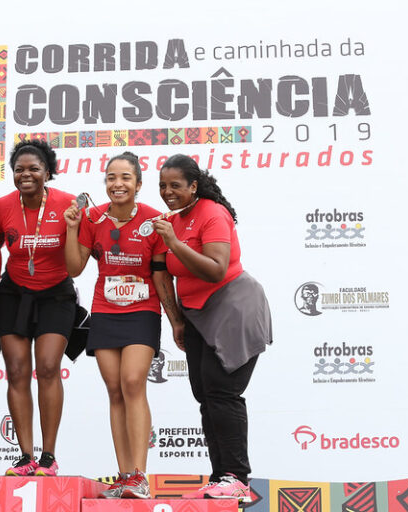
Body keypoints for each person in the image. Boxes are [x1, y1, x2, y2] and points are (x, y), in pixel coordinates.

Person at [152, 155, 272, 502]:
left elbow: (216, 270)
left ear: (193, 185)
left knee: (222, 392)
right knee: (205, 395)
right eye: (163, 185)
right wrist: (176, 320)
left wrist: (174, 242)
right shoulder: (170, 221)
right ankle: (222, 476)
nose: (168, 192)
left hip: (234, 307)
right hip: (197, 315)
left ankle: (238, 478)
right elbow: (162, 271)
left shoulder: (211, 213)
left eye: (176, 185)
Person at [63, 151, 181, 499]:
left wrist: (174, 320)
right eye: (112, 177)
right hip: (105, 310)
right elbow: (73, 268)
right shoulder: (92, 217)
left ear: (138, 184)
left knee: (132, 382)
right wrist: (72, 229)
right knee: (115, 390)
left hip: (143, 310)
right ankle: (125, 474)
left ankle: (141, 476)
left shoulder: (154, 220)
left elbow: (160, 276)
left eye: (126, 178)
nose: (118, 184)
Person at [0, 139, 77, 476]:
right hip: (13, 295)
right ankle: (26, 457)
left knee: (49, 367)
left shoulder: (68, 203)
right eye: (19, 170)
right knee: (17, 371)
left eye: (34, 169)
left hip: (56, 294)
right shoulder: (1, 208)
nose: (26, 175)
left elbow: (82, 252)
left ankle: (48, 458)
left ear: (48, 172)